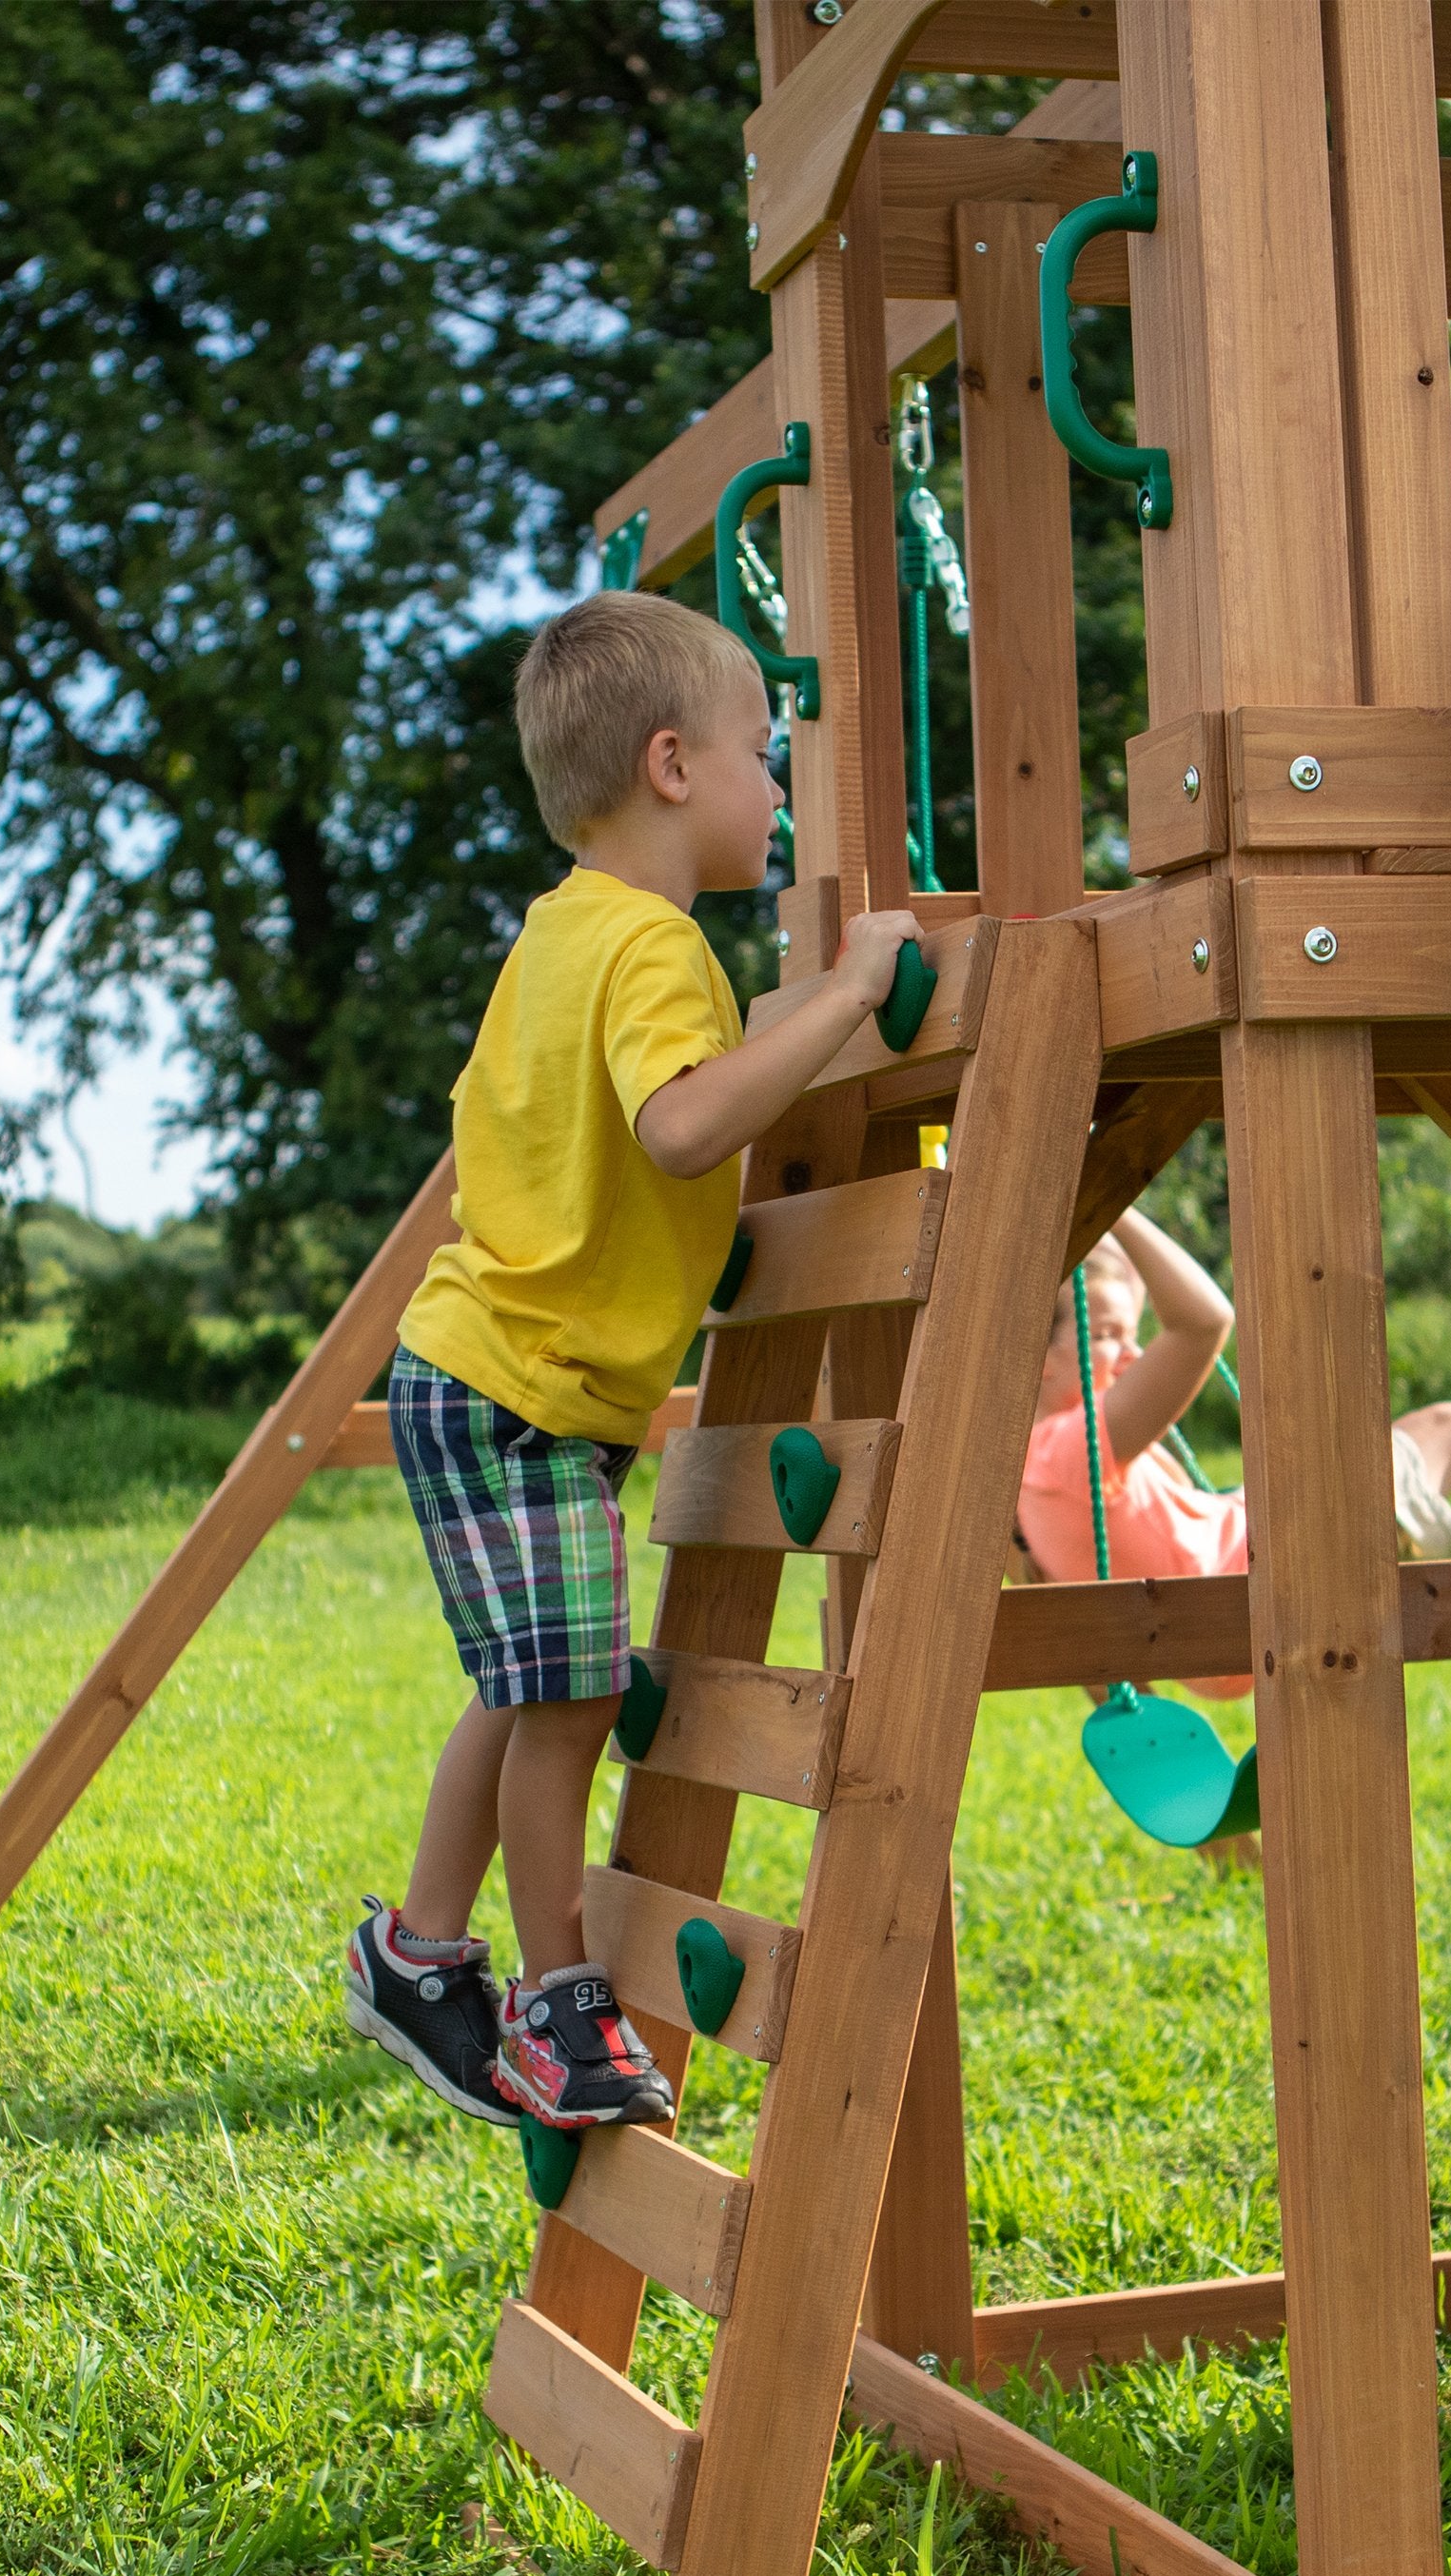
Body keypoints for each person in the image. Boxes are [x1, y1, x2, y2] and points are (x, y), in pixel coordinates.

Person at [340, 590, 918, 2134]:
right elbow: (677, 1123)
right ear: (673, 764)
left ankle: (419, 1954)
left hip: (494, 1380)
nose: (778, 789)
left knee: (524, 1690)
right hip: (520, 1393)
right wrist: (856, 992)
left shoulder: (562, 935)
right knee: (575, 1696)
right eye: (762, 755)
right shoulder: (656, 948)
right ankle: (559, 2001)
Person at [1016, 1211, 1451, 1662]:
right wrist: (1116, 1208)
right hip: (1286, 1578)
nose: (1132, 1357)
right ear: (1031, 1356)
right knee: (1449, 1428)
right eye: (1105, 1335)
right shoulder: (1066, 1451)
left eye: (1132, 1335)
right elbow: (1203, 1323)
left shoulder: (1017, 1480)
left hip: (1238, 1612)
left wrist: (1191, 1797)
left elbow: (1094, 1660)